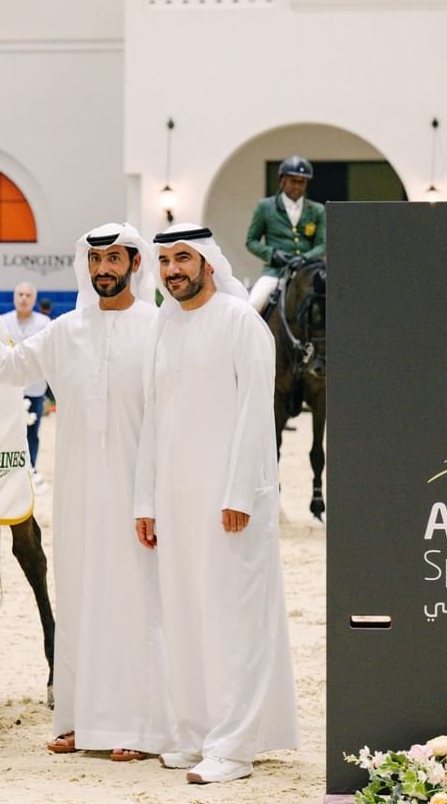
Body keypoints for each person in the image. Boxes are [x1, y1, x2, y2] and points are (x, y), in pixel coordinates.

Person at [0, 222, 172, 763]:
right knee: (78, 599)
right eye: (95, 260)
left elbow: (171, 419)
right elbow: (8, 366)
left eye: (114, 259)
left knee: (134, 603)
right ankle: (81, 720)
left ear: (134, 263)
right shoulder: (66, 332)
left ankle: (141, 726)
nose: (103, 269)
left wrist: (156, 497)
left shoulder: (158, 328)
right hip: (77, 492)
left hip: (139, 495)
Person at [135, 222, 298, 785]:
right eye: (164, 261)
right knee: (184, 617)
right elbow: (154, 417)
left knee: (233, 621)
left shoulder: (240, 322)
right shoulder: (165, 324)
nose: (173, 270)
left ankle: (234, 746)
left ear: (207, 263)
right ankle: (196, 734)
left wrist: (239, 493)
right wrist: (146, 501)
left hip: (231, 501)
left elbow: (257, 414)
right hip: (175, 502)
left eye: (183, 258)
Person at [246, 155, 326, 313]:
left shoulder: (317, 210)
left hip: (308, 272)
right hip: (276, 272)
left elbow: (323, 245)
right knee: (253, 305)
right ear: (282, 181)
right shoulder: (265, 207)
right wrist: (272, 254)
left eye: (302, 182)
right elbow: (251, 241)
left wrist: (305, 258)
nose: (297, 186)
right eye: (293, 181)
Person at [1, 281, 52, 489]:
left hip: (34, 387)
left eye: (28, 295)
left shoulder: (45, 323)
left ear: (34, 299)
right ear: (14, 297)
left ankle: (31, 468)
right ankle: (8, 471)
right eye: (20, 294)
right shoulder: (3, 321)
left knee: (32, 430)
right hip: (8, 387)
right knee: (7, 430)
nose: (23, 298)